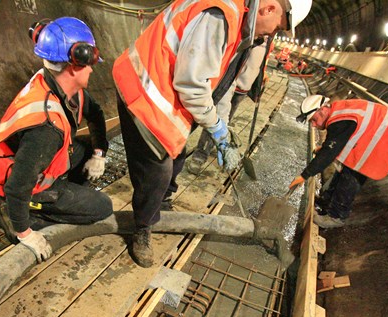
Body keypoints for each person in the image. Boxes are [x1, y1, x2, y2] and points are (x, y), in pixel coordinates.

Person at [113, 0, 293, 268]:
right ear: (269, 8)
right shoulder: (220, 16)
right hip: (142, 87)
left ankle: (160, 204)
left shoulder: (241, 26)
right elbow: (193, 86)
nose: (271, 36)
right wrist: (216, 128)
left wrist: (222, 125)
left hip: (165, 90)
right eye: (275, 29)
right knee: (157, 169)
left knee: (180, 154)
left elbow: (219, 85)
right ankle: (142, 227)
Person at [0, 17, 113, 262]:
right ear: (75, 64)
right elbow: (17, 185)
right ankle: (21, 215)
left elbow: (95, 115)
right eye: (90, 64)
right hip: (16, 182)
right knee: (102, 207)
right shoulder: (45, 127)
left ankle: (57, 197)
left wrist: (99, 153)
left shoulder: (59, 85)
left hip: (27, 162)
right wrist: (25, 233)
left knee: (84, 151)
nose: (93, 69)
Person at [288, 95, 388, 229]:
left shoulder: (340, 120)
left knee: (353, 171)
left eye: (313, 120)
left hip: (385, 135)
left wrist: (304, 175)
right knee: (346, 165)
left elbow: (330, 151)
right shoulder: (338, 114)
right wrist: (326, 148)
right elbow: (336, 139)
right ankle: (326, 200)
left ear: (323, 110)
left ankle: (336, 217)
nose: (313, 124)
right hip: (382, 130)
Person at [186, 39, 271, 175]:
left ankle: (214, 145)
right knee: (217, 121)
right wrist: (221, 132)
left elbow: (260, 60)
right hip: (229, 84)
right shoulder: (251, 34)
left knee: (225, 122)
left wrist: (261, 75)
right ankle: (199, 156)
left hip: (243, 89)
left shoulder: (269, 38)